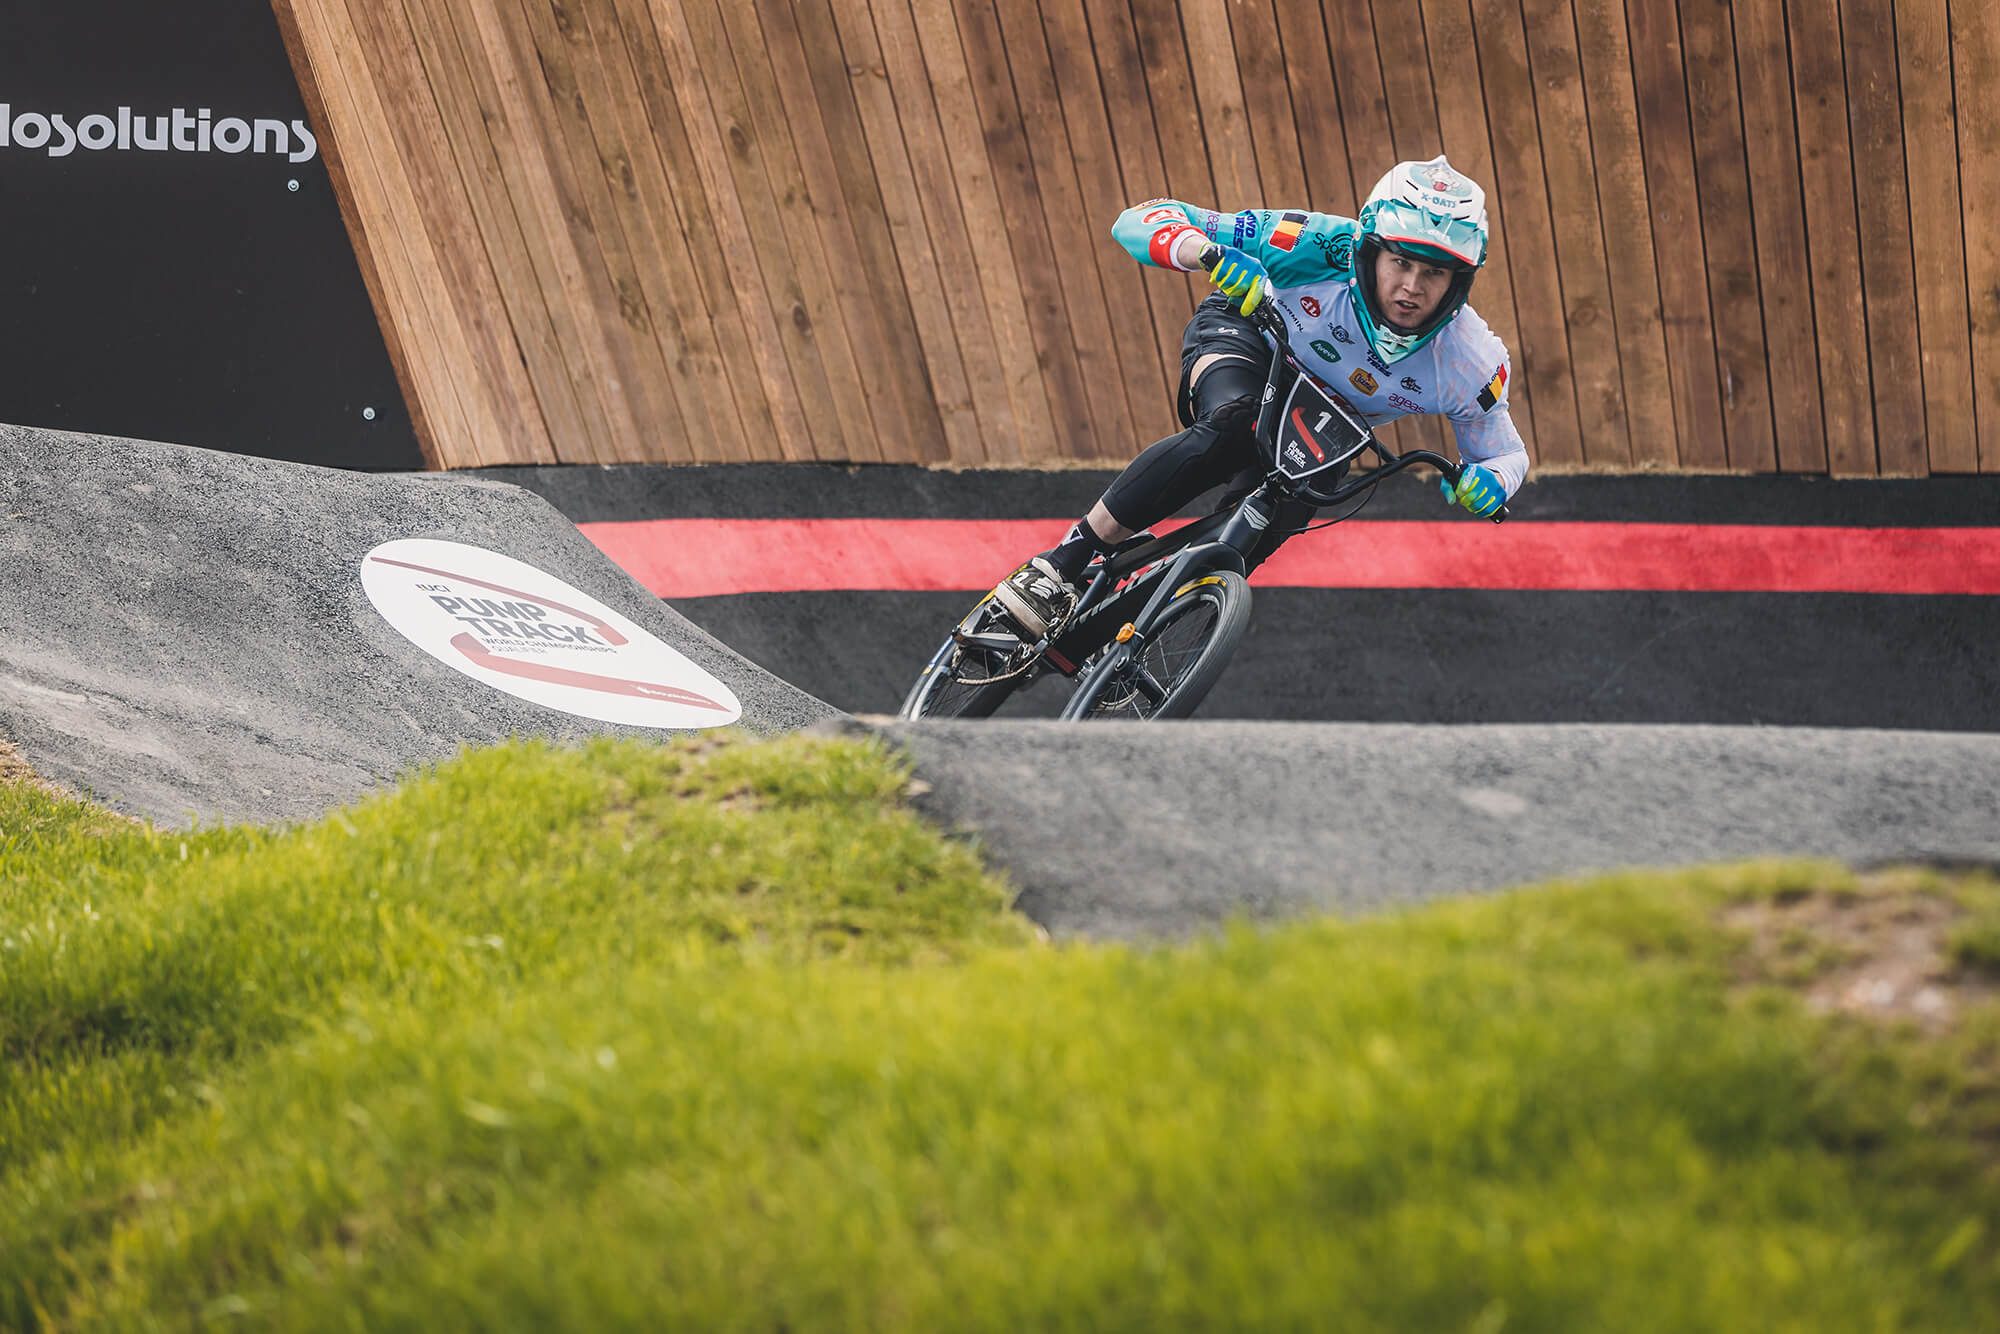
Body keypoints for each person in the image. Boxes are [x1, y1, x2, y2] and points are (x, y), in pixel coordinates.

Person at [990, 155, 1529, 639]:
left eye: (1433, 272)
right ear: (1366, 250)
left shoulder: (1471, 362)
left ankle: (1139, 636)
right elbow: (1137, 219)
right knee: (1237, 422)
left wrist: (1489, 481)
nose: (1412, 286)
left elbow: (1505, 454)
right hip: (1250, 339)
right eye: (1400, 263)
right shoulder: (1311, 243)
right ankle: (1063, 563)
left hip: (1325, 420)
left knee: (1291, 505)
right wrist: (1207, 252)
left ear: (1460, 282)